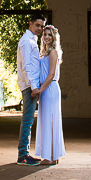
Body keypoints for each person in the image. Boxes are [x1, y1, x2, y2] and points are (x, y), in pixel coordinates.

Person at [32, 24, 65, 165]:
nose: (46, 37)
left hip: (50, 88)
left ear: (54, 37)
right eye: (45, 34)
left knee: (50, 121)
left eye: (49, 35)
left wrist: (40, 90)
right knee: (47, 121)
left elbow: (51, 74)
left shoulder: (52, 52)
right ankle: (52, 155)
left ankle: (50, 157)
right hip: (47, 89)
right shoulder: (45, 52)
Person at [15, 14, 45, 166]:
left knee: (29, 120)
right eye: (37, 25)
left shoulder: (32, 40)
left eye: (41, 26)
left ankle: (25, 153)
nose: (40, 28)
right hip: (29, 87)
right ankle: (23, 156)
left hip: (32, 86)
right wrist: (33, 87)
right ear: (30, 24)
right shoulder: (27, 42)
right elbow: (26, 66)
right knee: (27, 120)